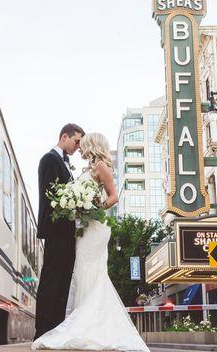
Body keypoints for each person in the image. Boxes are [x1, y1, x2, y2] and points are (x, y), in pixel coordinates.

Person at [32, 133, 149, 351]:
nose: (80, 149)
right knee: (83, 272)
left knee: (91, 271)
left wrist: (94, 209)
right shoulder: (89, 168)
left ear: (91, 146)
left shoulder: (102, 166)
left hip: (96, 228)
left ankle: (90, 327)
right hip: (84, 229)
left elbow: (113, 196)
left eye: (83, 145)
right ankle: (85, 324)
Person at [34, 123, 85, 340]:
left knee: (63, 280)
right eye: (76, 141)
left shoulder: (64, 163)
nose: (78, 147)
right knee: (52, 279)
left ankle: (56, 329)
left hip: (67, 231)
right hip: (56, 229)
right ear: (65, 136)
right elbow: (50, 195)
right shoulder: (49, 159)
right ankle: (43, 331)